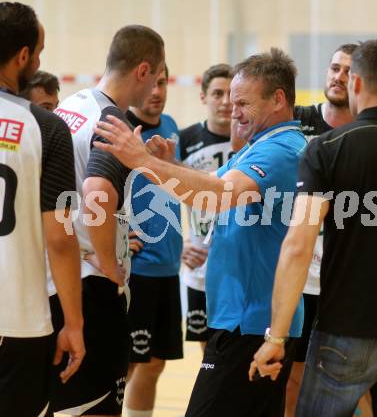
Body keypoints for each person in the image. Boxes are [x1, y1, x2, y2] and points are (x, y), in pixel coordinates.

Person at [93, 47, 306, 417]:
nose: (234, 111)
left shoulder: (280, 150)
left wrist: (143, 161)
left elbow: (216, 197)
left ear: (278, 99)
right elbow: (210, 185)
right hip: (246, 316)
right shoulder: (260, 145)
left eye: (243, 102)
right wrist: (167, 165)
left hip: (251, 321)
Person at [251, 39, 377, 417]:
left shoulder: (327, 149)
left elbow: (297, 246)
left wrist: (276, 335)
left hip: (346, 329)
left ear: (355, 83)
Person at [47, 25, 165, 416]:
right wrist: (108, 261)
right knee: (96, 406)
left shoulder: (69, 108)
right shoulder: (112, 119)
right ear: (143, 70)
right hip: (90, 287)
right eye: (159, 77)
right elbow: (97, 191)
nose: (156, 90)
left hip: (53, 278)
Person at [0, 1, 84, 416]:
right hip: (20, 319)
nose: (39, 60)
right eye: (39, 52)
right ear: (22, 56)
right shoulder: (47, 128)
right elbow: (61, 237)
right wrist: (74, 323)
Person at [285, 43, 357, 416]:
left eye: (347, 71)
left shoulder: (368, 132)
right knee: (291, 378)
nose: (338, 77)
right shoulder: (296, 120)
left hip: (345, 280)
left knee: (353, 379)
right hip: (299, 277)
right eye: (334, 68)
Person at [123, 65, 183, 417]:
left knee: (155, 362)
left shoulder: (173, 126)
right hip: (138, 268)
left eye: (163, 83)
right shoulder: (122, 129)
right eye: (151, 83)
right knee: (128, 363)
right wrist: (117, 232)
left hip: (168, 266)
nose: (157, 91)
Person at [180, 63, 234, 350]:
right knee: (208, 354)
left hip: (241, 266)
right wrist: (178, 244)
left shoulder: (251, 139)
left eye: (230, 94)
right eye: (217, 93)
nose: (225, 102)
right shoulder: (184, 140)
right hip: (200, 269)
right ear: (203, 97)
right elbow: (158, 200)